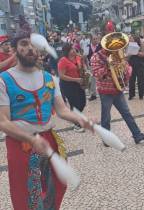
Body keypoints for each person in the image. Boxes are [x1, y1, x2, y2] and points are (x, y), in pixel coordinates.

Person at [0, 19, 93, 210]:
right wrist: (31, 139)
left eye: (33, 44)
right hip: (21, 145)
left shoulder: (49, 78)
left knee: (54, 188)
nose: (30, 48)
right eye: (24, 44)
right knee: (29, 195)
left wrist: (81, 119)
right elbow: (2, 121)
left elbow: (62, 110)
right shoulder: (4, 80)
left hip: (49, 139)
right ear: (15, 49)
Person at [91, 33, 144, 146]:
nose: (114, 49)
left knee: (126, 113)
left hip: (117, 90)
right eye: (111, 46)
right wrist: (108, 66)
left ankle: (137, 135)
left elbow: (126, 68)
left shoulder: (117, 55)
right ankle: (106, 139)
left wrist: (126, 71)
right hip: (105, 91)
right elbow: (96, 74)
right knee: (106, 116)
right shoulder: (96, 57)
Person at [57, 44, 87, 132]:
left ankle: (75, 117)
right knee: (75, 104)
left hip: (78, 83)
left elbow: (82, 66)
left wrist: (84, 65)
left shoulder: (78, 57)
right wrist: (76, 79)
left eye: (74, 49)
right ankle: (77, 125)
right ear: (67, 51)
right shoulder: (63, 61)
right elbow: (61, 76)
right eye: (71, 50)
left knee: (83, 102)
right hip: (68, 85)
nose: (74, 51)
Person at [128, 36, 144, 100]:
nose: (130, 40)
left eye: (131, 39)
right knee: (131, 80)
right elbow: (127, 56)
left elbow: (143, 54)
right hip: (131, 64)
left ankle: (141, 95)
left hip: (139, 64)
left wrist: (136, 52)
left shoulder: (141, 45)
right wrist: (129, 53)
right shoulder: (129, 46)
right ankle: (131, 95)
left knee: (140, 80)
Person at [87, 34, 102, 101]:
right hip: (91, 65)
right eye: (94, 39)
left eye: (96, 39)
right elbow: (86, 55)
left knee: (100, 79)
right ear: (91, 40)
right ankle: (93, 94)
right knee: (92, 80)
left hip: (99, 65)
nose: (95, 40)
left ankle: (102, 93)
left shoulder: (100, 46)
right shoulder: (88, 46)